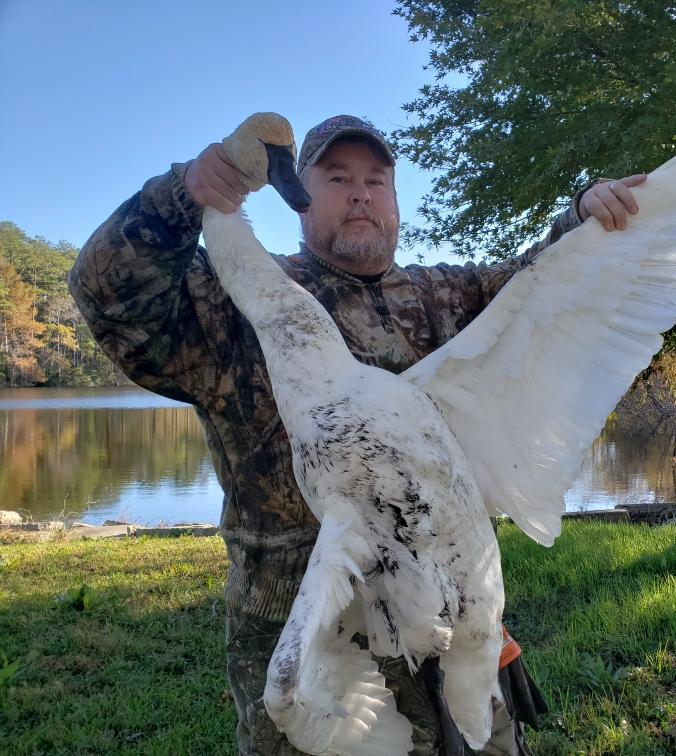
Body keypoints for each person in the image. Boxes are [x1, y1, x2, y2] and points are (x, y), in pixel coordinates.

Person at [68, 114, 644, 755]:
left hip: (451, 615)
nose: (361, 192)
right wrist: (182, 194)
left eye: (376, 179)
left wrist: (587, 210)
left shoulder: (445, 298)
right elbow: (110, 293)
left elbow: (550, 280)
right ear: (300, 195)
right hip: (308, 632)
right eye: (338, 178)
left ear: (396, 199)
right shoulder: (232, 303)